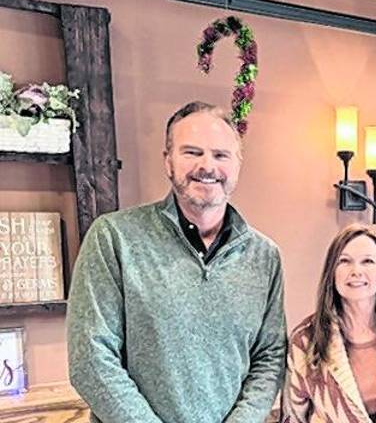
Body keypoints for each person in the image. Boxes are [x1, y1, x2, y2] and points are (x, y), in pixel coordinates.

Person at [66, 101, 286, 423]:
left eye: (221, 155)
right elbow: (91, 358)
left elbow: (270, 356)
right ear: (168, 161)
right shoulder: (114, 238)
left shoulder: (265, 257)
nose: (207, 166)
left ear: (237, 165)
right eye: (192, 152)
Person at [282, 224, 376, 423]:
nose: (356, 271)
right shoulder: (305, 341)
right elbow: (292, 417)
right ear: (332, 272)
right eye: (345, 261)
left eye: (367, 261)